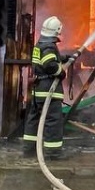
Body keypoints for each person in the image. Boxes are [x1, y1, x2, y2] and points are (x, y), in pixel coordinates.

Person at [22, 15, 76, 154]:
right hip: (48, 90)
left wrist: (64, 58)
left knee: (33, 119)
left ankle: (29, 149)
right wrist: (61, 72)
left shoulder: (40, 44)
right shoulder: (49, 47)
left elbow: (46, 60)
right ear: (56, 31)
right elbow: (50, 65)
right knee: (53, 121)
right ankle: (53, 152)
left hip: (38, 89)